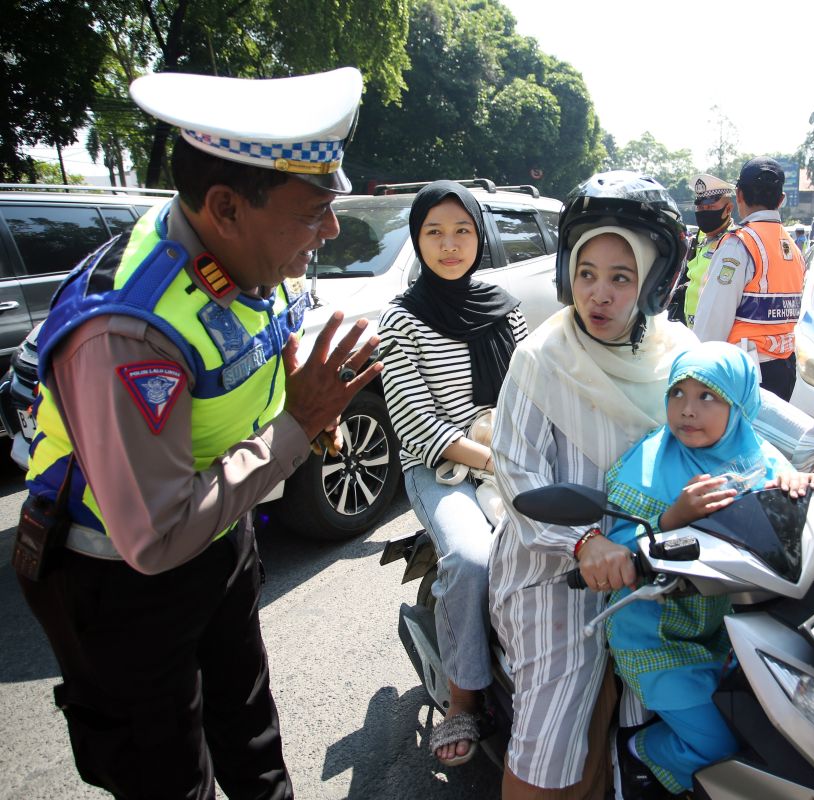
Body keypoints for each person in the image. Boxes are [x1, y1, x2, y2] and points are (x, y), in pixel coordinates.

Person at [13, 68, 377, 799]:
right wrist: (296, 428)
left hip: (222, 532)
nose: (332, 231)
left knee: (251, 738)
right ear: (224, 206)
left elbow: (257, 349)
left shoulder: (251, 253)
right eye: (314, 212)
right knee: (168, 777)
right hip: (122, 579)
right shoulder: (128, 328)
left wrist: (307, 417)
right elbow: (156, 536)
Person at [487, 170, 814, 800]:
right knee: (557, 713)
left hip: (672, 562)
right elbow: (517, 470)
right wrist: (583, 544)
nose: (599, 293)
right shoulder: (540, 358)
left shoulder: (674, 347)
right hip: (562, 567)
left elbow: (750, 405)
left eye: (621, 276)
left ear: (653, 280)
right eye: (587, 273)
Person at [604, 341, 814, 795]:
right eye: (677, 393)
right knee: (719, 743)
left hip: (735, 635)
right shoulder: (641, 467)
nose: (687, 410)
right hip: (656, 636)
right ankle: (641, 751)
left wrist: (795, 488)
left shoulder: (758, 456)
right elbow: (615, 555)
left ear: (739, 404)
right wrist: (671, 519)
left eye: (708, 396)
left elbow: (788, 509)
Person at [377, 180, 526, 766]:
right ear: (417, 239)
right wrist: (497, 462)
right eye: (434, 232)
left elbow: (526, 389)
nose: (450, 244)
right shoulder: (401, 319)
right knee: (471, 558)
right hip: (443, 471)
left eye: (462, 230)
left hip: (506, 456)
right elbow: (415, 426)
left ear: (479, 236)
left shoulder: (501, 306)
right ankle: (463, 699)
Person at [692, 157, 806, 401]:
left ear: (739, 195)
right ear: (781, 199)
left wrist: (695, 375)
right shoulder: (793, 248)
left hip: (746, 373)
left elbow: (711, 321)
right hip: (784, 368)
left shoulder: (740, 244)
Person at [681, 173, 738, 327]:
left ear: (728, 209)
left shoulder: (734, 243)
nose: (704, 212)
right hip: (691, 331)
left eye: (711, 207)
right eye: (700, 207)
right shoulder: (698, 239)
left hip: (715, 334)